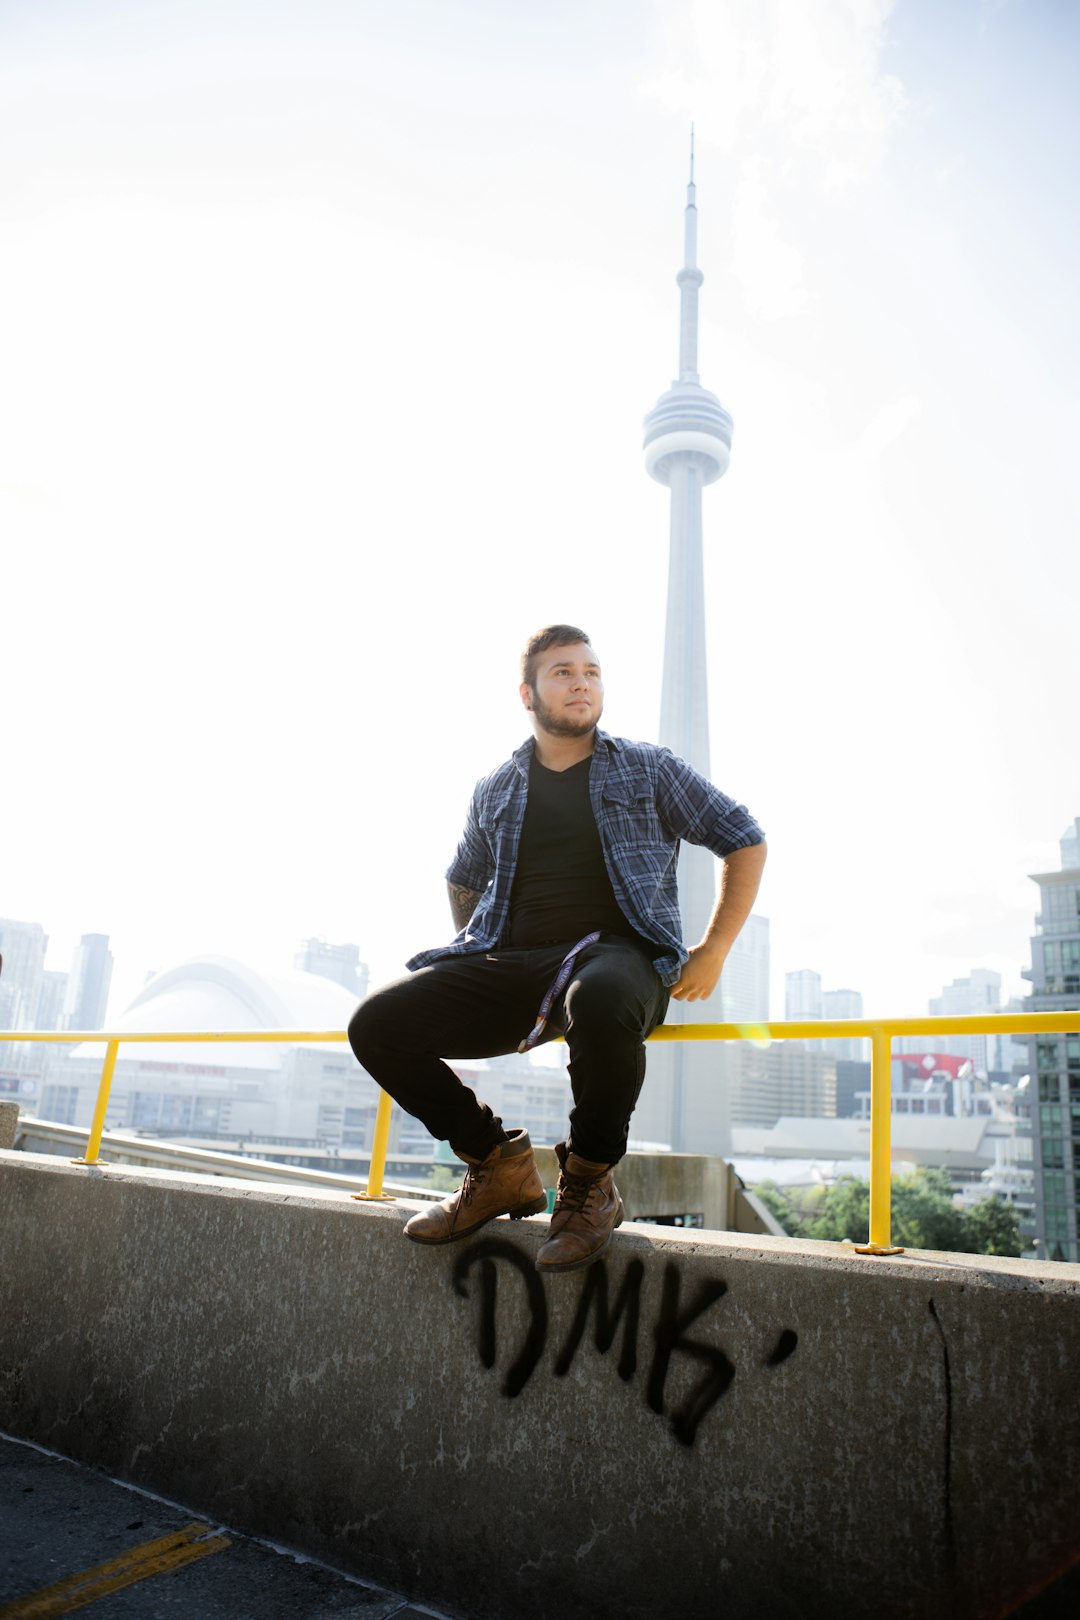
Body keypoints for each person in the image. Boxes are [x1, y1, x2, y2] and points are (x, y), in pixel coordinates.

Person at [348, 624, 766, 1274]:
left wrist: (713, 948)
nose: (582, 683)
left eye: (592, 672)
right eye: (564, 672)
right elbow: (463, 875)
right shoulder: (498, 786)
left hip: (620, 962)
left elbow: (743, 836)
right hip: (521, 968)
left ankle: (589, 1183)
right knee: (376, 1023)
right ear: (528, 693)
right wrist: (478, 948)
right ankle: (496, 1166)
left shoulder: (648, 768)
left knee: (596, 995)